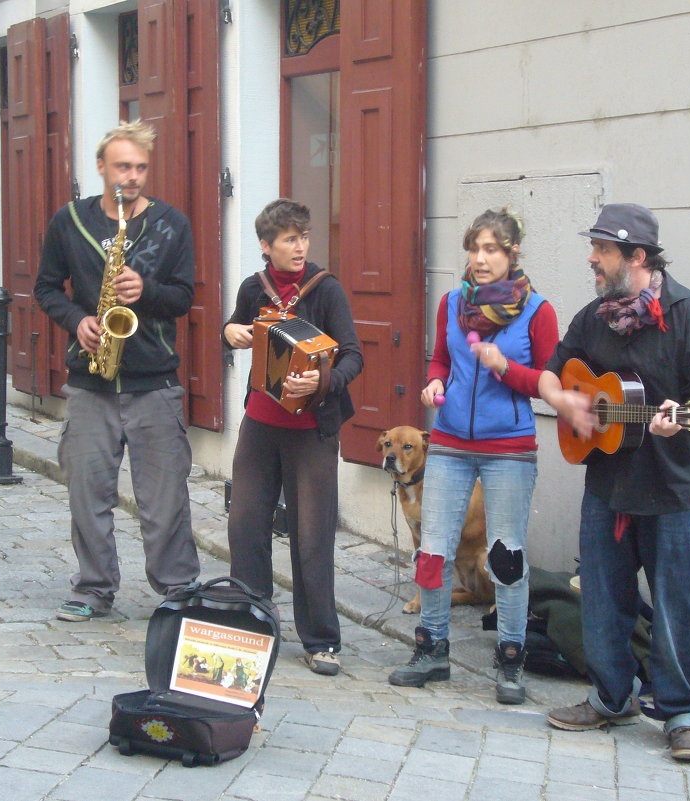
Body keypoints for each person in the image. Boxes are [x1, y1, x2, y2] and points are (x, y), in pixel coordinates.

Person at [538, 203, 690, 761]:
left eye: (602, 249)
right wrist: (564, 401)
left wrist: (679, 419)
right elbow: (554, 369)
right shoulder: (594, 316)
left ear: (637, 257)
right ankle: (610, 696)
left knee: (678, 604)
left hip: (674, 491)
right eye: (595, 247)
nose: (592, 259)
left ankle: (685, 713)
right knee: (602, 597)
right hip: (607, 486)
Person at [388, 208, 559, 704]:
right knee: (432, 552)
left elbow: (551, 384)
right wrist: (435, 381)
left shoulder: (538, 310)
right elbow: (440, 357)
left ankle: (510, 661)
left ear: (512, 254)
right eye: (474, 249)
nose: (480, 259)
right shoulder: (451, 303)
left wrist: (506, 366)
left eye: (491, 250)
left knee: (506, 558)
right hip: (449, 447)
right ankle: (431, 651)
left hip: (509, 450)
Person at [34, 120, 199, 622]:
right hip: (90, 380)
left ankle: (177, 589)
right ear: (102, 167)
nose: (132, 177)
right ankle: (93, 587)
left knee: (164, 497)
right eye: (123, 166)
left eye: (141, 168)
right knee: (87, 491)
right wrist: (76, 319)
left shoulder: (172, 224)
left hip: (154, 381)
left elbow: (183, 298)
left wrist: (144, 292)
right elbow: (45, 288)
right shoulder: (69, 221)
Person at [222, 198, 362, 676]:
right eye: (289, 239)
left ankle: (321, 639)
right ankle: (250, 624)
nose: (300, 247)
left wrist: (322, 384)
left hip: (311, 433)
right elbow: (232, 329)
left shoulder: (325, 290)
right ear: (267, 246)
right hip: (261, 426)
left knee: (312, 537)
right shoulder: (254, 288)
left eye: (303, 237)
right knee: (246, 527)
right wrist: (232, 332)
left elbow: (352, 357)